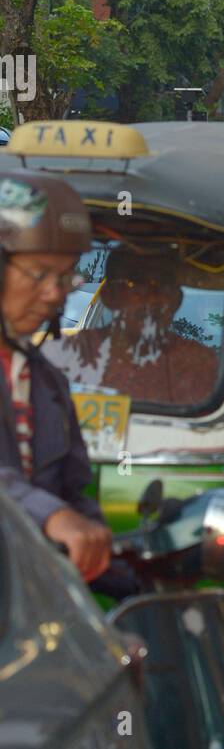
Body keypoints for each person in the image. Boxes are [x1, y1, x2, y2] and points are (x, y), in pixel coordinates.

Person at [0, 172, 113, 584]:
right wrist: (52, 516)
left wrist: (125, 559)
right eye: (38, 273)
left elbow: (74, 492)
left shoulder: (46, 380)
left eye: (64, 277)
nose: (54, 294)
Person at [48, 244, 220, 405]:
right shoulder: (68, 354)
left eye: (163, 285)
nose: (152, 299)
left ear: (177, 300)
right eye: (136, 285)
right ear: (109, 296)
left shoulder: (200, 364)